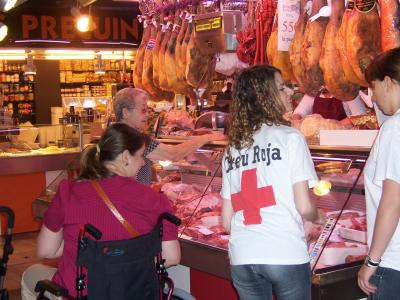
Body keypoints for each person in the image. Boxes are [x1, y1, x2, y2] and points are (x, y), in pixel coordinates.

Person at [21, 123, 180, 299]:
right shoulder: (156, 199)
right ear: (126, 156)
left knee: (31, 274)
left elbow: (46, 251)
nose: (143, 163)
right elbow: (171, 257)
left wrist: (85, 246)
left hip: (79, 293)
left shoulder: (68, 191)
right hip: (135, 292)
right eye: (141, 156)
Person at [221, 65, 326, 300]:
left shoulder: (233, 148)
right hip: (284, 253)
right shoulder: (291, 138)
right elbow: (304, 206)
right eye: (281, 88)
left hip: (243, 257)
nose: (289, 93)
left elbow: (227, 222)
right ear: (264, 96)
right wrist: (319, 217)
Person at [113, 88, 224, 185]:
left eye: (148, 110)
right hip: (132, 204)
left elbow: (146, 166)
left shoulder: (113, 135)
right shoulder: (134, 139)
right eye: (143, 110)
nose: (147, 114)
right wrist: (206, 138)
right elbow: (172, 154)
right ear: (126, 112)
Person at [357, 47, 400, 299]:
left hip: (394, 261)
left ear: (388, 82)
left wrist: (372, 262)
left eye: (373, 88)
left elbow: (393, 200)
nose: (372, 98)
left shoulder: (394, 129)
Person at [292, 88, 367, 126]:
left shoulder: (347, 91)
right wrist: (298, 124)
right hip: (319, 141)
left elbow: (359, 116)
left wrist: (330, 127)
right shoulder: (314, 92)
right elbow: (299, 112)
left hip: (343, 139)